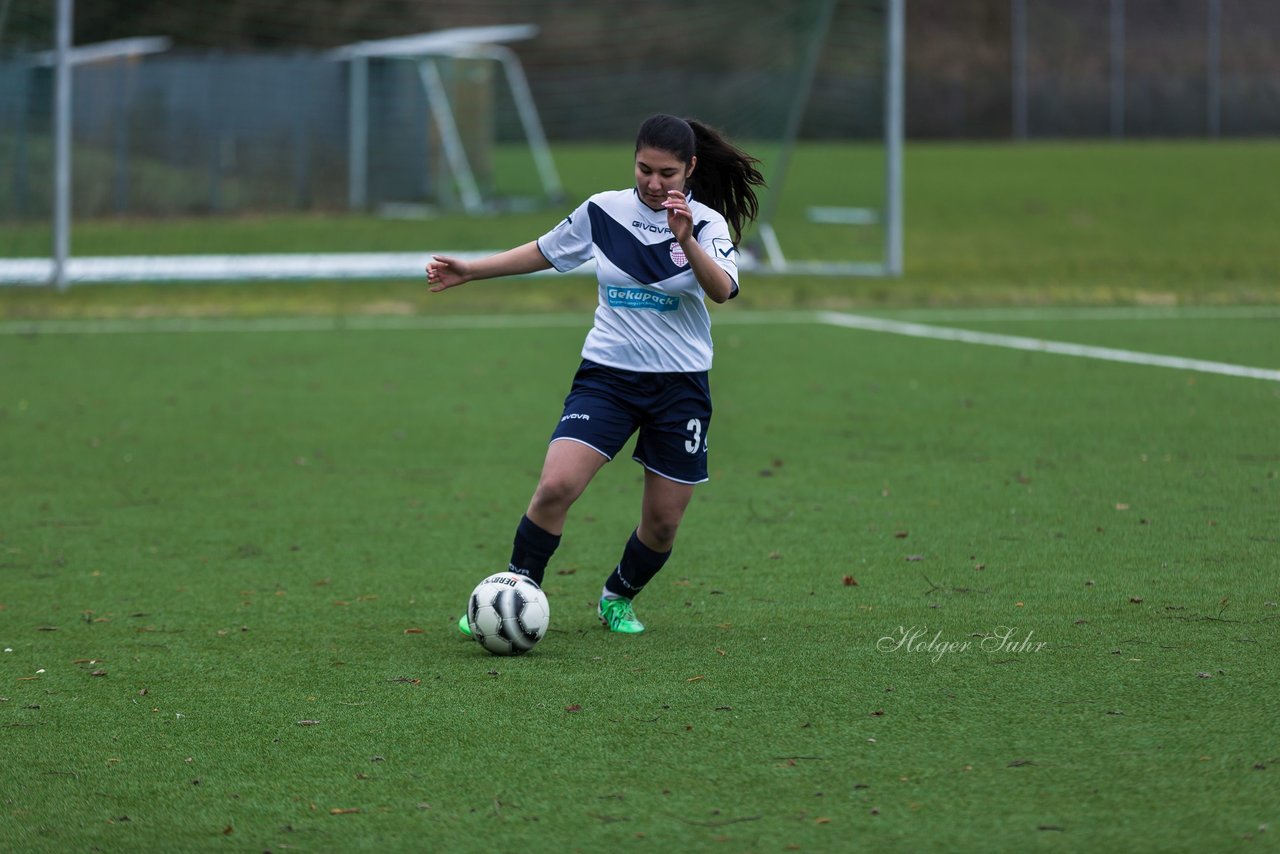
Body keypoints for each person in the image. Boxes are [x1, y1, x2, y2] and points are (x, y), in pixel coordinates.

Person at [426, 114, 764, 634]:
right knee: (556, 486)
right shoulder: (604, 210)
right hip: (608, 377)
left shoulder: (708, 225)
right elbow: (544, 250)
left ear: (690, 169)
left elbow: (722, 290)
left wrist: (686, 239)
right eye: (644, 169)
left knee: (663, 523)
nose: (653, 183)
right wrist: (471, 270)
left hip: (681, 388)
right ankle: (512, 595)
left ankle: (617, 596)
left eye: (667, 174)